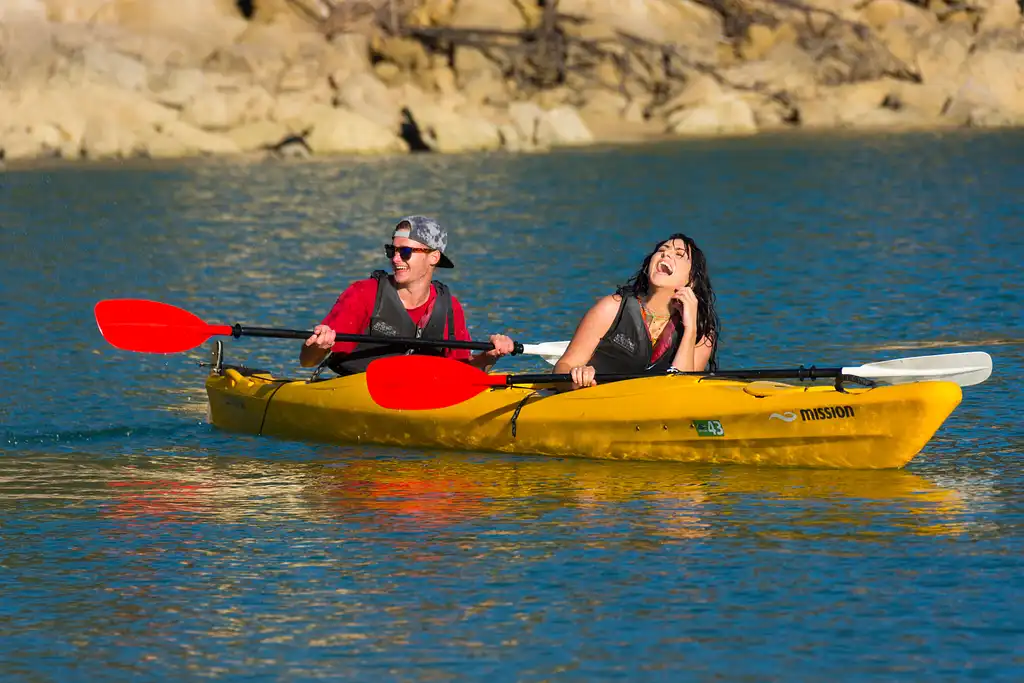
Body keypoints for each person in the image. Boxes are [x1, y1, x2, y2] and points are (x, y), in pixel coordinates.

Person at [300, 215, 515, 375]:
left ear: (434, 257)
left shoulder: (449, 306)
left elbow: (464, 371)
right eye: (392, 251)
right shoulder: (363, 294)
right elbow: (307, 361)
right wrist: (318, 346)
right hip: (354, 393)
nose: (395, 259)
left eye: (405, 252)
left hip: (416, 396)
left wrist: (489, 356)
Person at [553, 233, 720, 390]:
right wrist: (576, 379)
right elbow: (562, 368)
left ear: (692, 281)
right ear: (648, 267)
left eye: (679, 254)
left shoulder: (702, 333)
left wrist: (690, 329)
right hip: (595, 402)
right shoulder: (611, 308)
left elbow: (684, 391)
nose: (665, 255)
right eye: (662, 250)